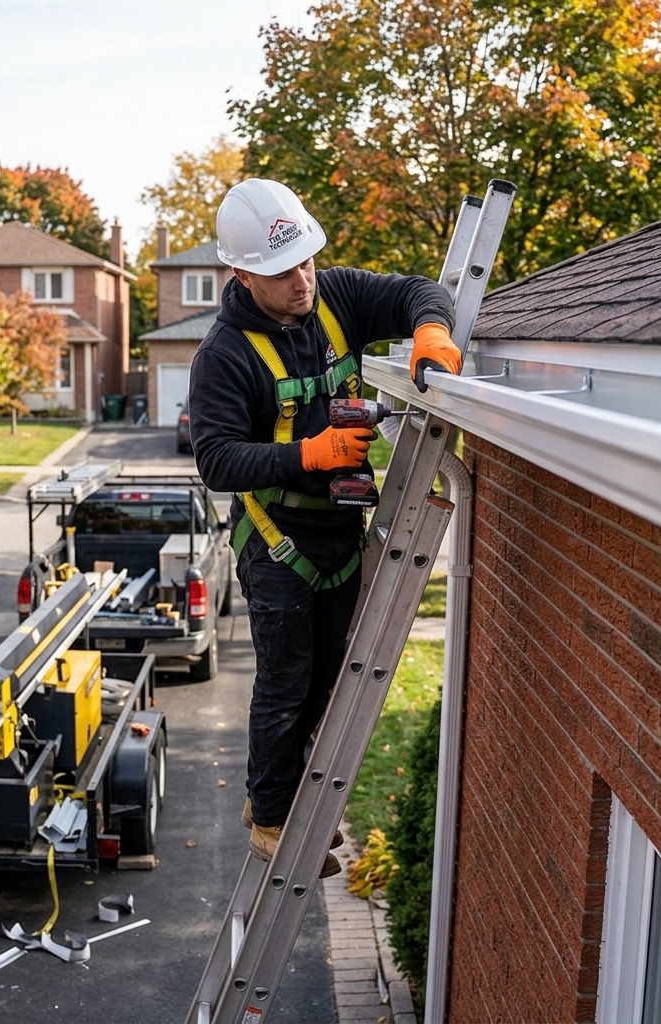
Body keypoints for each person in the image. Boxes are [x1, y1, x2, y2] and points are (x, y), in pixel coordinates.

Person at [187, 178, 459, 877]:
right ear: (243, 274)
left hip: (338, 526)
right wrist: (310, 454)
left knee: (332, 675)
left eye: (306, 260)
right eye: (282, 273)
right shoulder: (224, 354)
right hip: (276, 536)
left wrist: (432, 329)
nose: (302, 280)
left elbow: (417, 293)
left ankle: (279, 793)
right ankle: (272, 819)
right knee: (285, 677)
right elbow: (216, 459)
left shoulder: (335, 295)